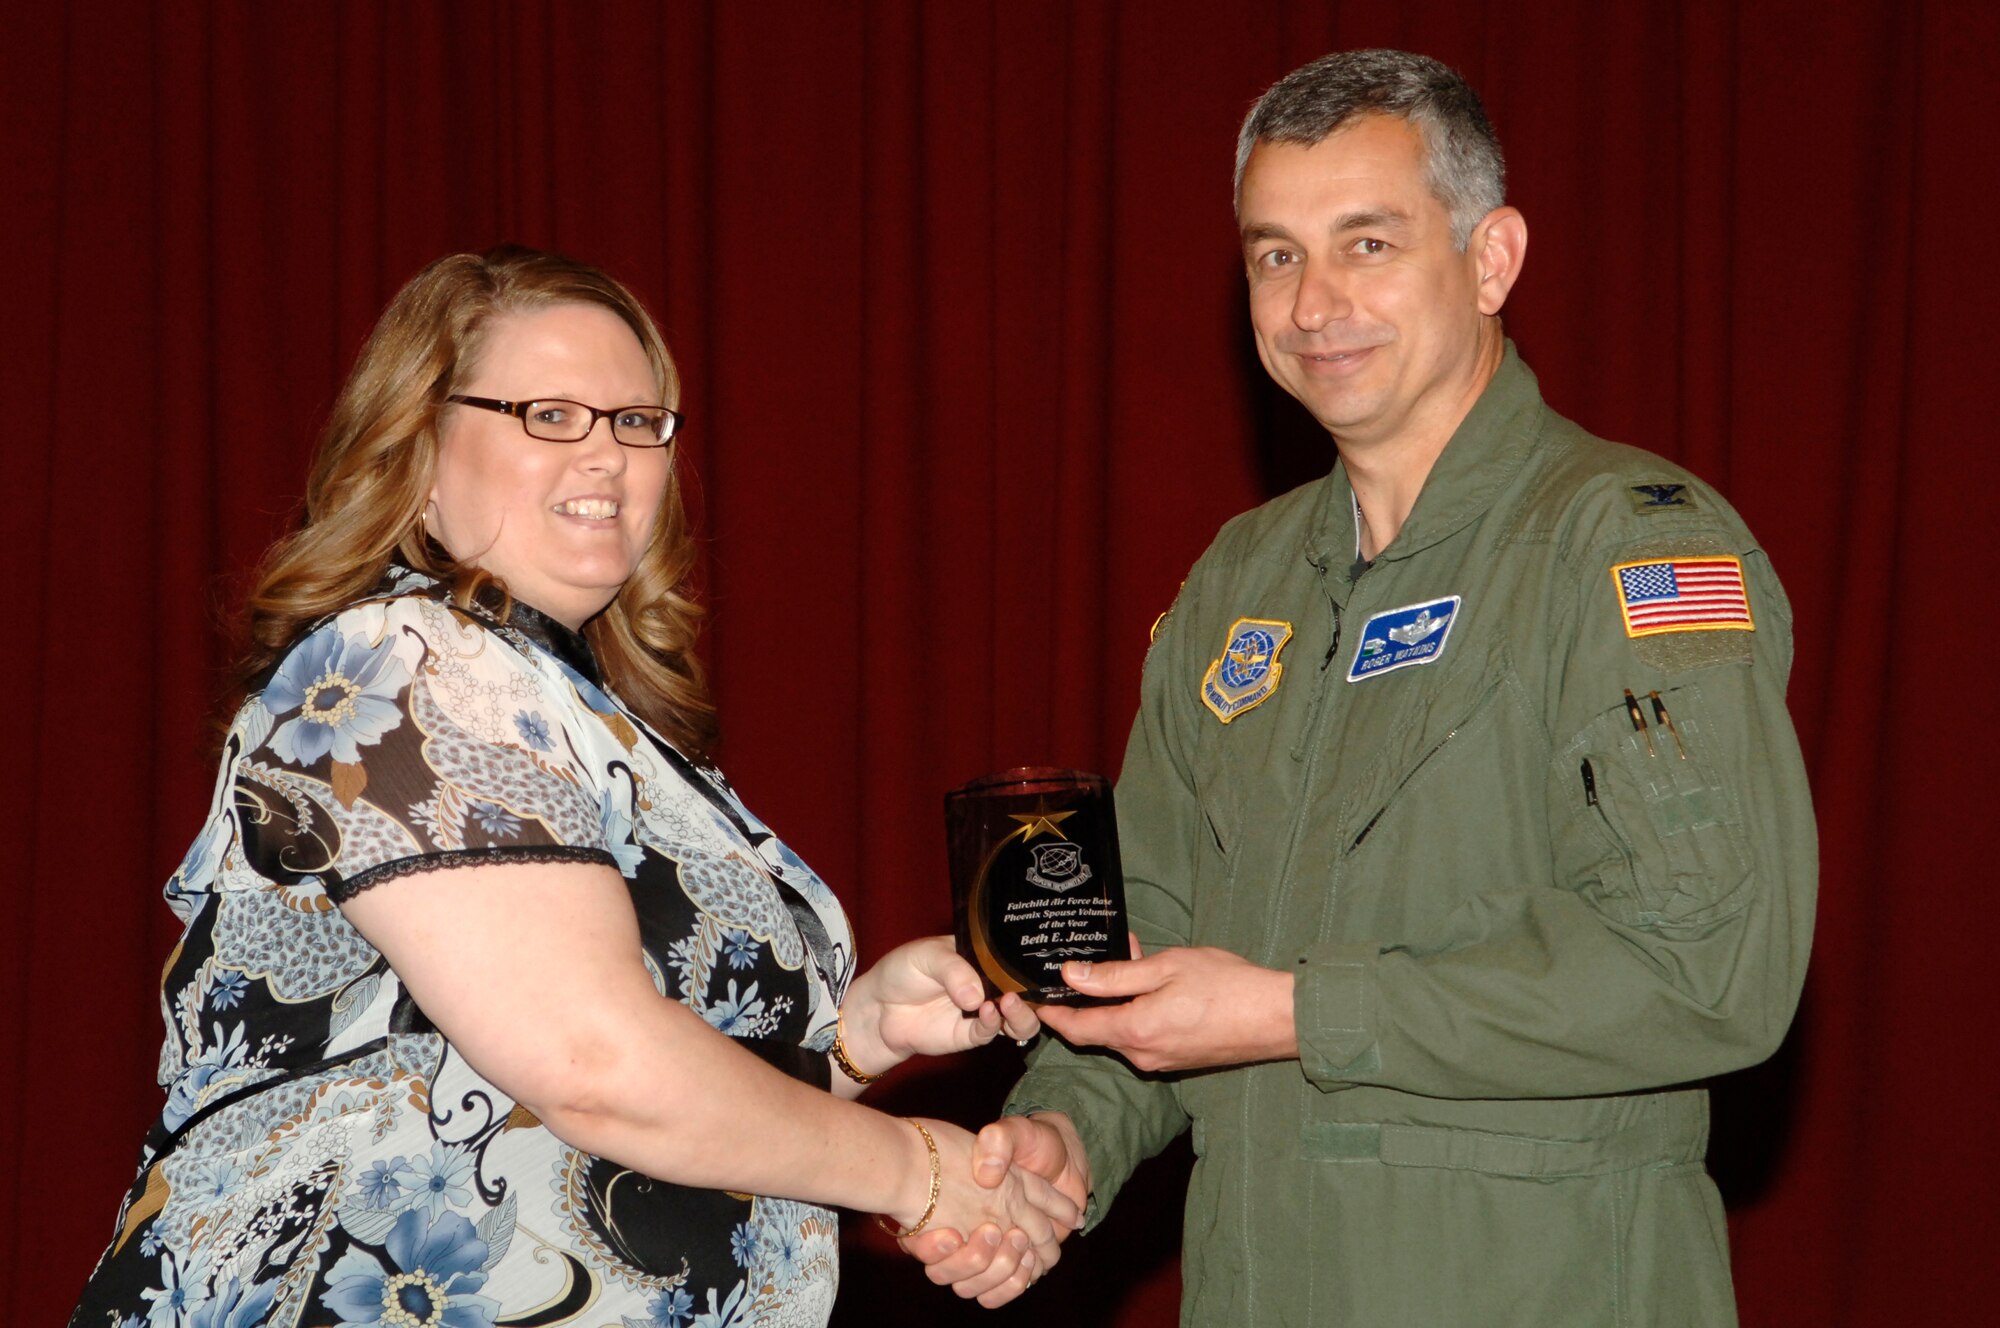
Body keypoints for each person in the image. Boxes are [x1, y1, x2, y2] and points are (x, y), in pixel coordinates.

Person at [915, 48, 1816, 1324]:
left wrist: (1298, 1009)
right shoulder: (1240, 581)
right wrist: (1067, 1130)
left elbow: (1709, 968)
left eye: (1367, 244)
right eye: (1274, 255)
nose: (1313, 303)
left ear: (1490, 258)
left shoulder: (1621, 548)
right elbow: (1153, 936)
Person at [70, 246, 1076, 1326]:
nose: (606, 453)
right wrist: (918, 1169)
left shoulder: (598, 720)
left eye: (636, 421)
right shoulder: (399, 664)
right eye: (549, 414)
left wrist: (853, 1036)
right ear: (417, 447)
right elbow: (592, 1065)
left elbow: (632, 1122)